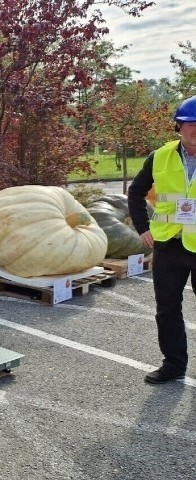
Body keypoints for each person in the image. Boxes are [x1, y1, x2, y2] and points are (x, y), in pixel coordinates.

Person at [128, 95, 196, 384]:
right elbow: (135, 191)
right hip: (168, 244)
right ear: (179, 126)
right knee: (167, 308)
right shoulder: (160, 156)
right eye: (191, 122)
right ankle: (173, 365)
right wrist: (142, 227)